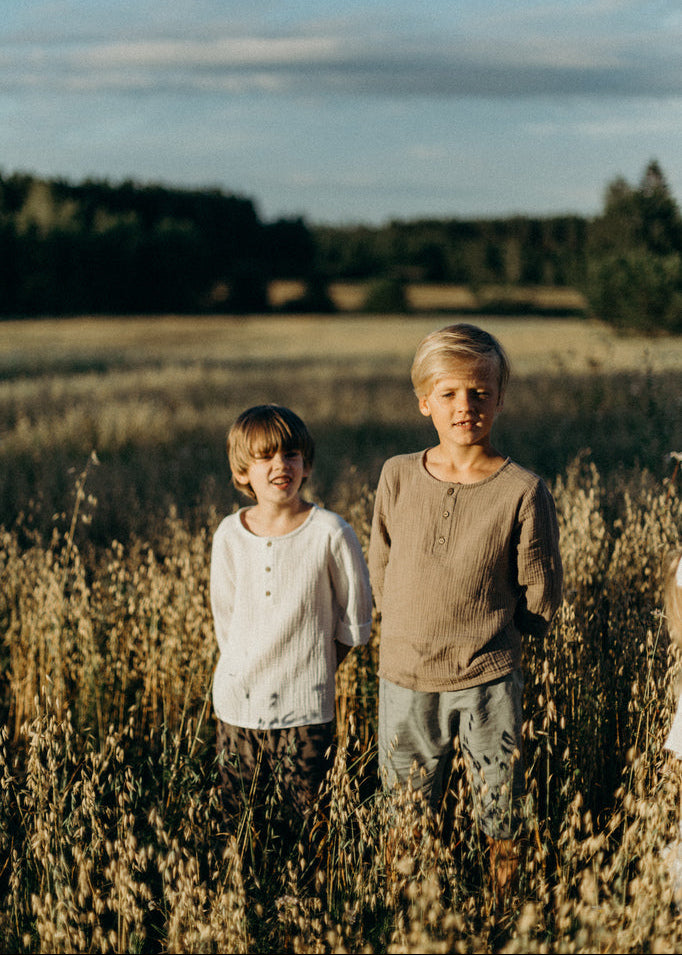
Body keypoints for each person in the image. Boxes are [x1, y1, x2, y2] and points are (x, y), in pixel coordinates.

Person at [368, 323, 563, 906]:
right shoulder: (397, 475)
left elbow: (540, 586)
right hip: (404, 675)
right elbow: (381, 561)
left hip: (488, 676)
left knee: (501, 810)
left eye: (480, 392)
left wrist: (510, 638)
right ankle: (407, 916)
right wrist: (403, 625)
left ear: (500, 398)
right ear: (424, 400)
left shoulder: (523, 490)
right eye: (450, 393)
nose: (465, 405)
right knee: (404, 811)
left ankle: (504, 914)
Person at [210, 404, 373, 873]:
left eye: (291, 454)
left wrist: (313, 668)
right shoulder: (228, 536)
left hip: (306, 712)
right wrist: (245, 671)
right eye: (264, 457)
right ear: (244, 473)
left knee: (310, 825)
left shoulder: (330, 532)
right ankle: (239, 904)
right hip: (236, 708)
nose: (280, 465)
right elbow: (227, 619)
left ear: (306, 464)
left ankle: (314, 906)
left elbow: (355, 617)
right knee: (236, 824)